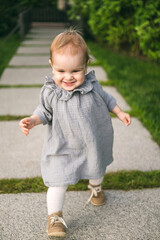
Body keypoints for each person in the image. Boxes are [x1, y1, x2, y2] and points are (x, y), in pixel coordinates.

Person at [19, 28, 131, 237]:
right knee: (57, 181)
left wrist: (119, 112)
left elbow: (107, 99)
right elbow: (43, 110)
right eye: (61, 71)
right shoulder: (51, 92)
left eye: (75, 71)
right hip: (62, 146)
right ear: (52, 65)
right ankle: (55, 217)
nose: (68, 77)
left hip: (91, 142)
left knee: (96, 167)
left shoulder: (92, 85)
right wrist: (33, 120)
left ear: (86, 66)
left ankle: (95, 187)